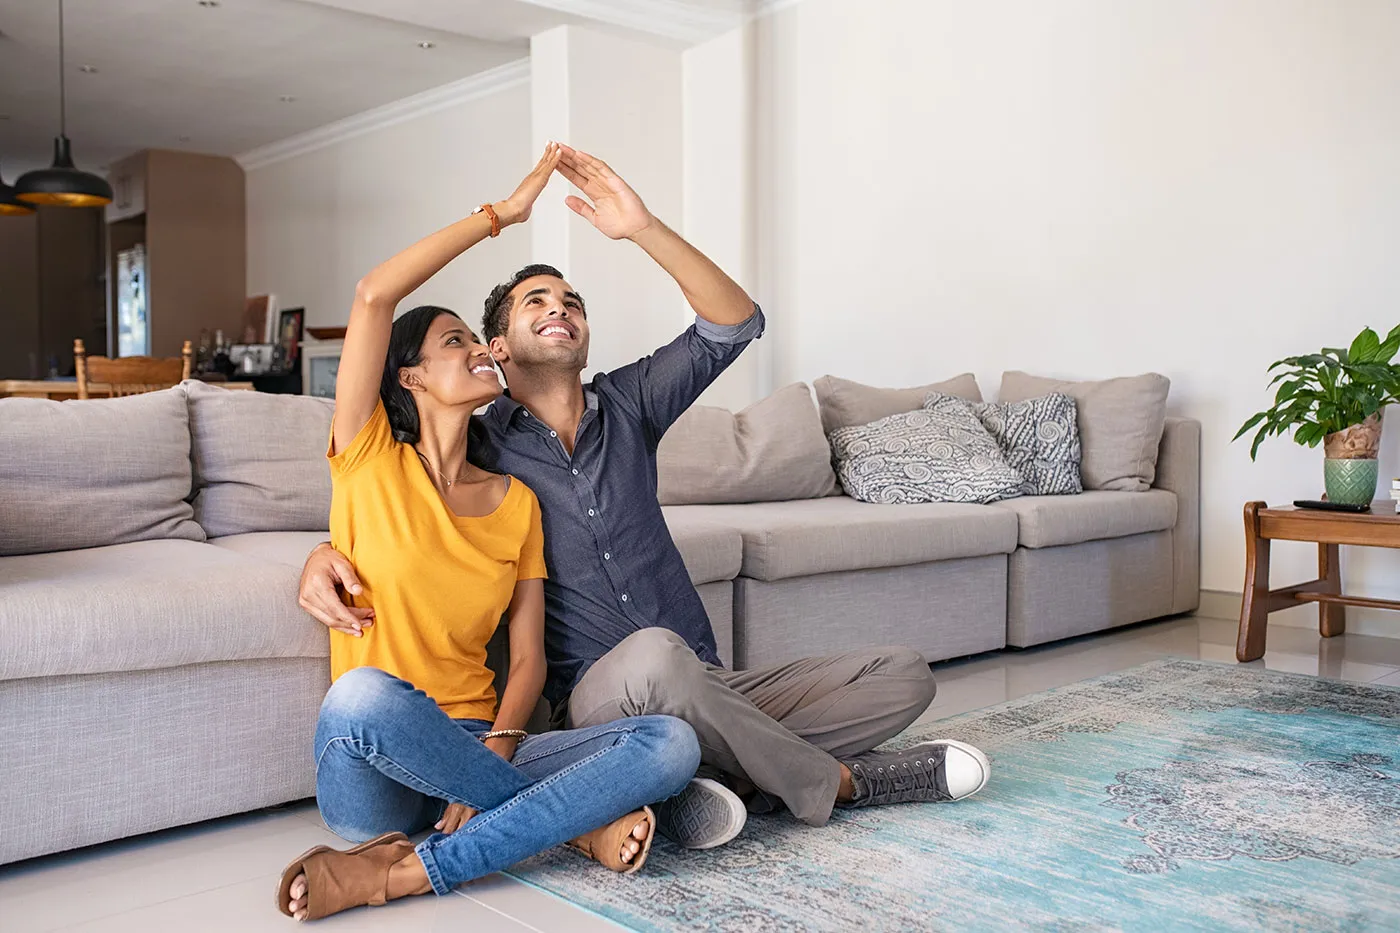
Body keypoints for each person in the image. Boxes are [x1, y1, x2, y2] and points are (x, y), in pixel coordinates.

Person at [298, 143, 990, 854]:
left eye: (570, 301)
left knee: (902, 675)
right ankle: (833, 783)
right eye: (533, 301)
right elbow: (384, 482)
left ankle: (713, 770)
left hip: (697, 679)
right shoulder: (482, 445)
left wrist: (643, 227)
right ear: (497, 351)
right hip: (603, 699)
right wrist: (319, 552)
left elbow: (734, 323)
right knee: (653, 660)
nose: (557, 307)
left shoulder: (621, 409)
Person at [279, 143, 700, 923]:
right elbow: (373, 296)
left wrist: (499, 748)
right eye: (453, 343)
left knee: (671, 744)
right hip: (372, 768)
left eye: (476, 343)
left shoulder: (514, 499)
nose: (478, 350)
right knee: (361, 693)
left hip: (483, 739)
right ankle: (574, 829)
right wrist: (499, 217)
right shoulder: (367, 455)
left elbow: (531, 656)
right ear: (409, 377)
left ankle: (399, 872)